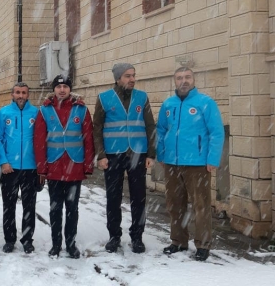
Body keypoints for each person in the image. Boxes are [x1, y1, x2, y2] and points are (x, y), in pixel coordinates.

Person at [157, 67, 224, 262]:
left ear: (194, 80)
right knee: (174, 204)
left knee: (200, 206)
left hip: (198, 164)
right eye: (179, 78)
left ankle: (203, 245)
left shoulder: (205, 103)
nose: (183, 81)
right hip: (171, 162)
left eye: (187, 77)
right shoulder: (168, 104)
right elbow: (160, 130)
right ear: (174, 81)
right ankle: (178, 241)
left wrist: (212, 159)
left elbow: (216, 132)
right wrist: (161, 153)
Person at [93, 63, 156, 254]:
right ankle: (114, 236)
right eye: (128, 76)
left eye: (133, 75)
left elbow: (150, 126)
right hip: (113, 155)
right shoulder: (104, 98)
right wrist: (101, 155)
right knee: (113, 198)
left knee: (139, 197)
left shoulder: (142, 97)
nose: (132, 79)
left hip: (137, 153)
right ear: (118, 78)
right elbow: (97, 128)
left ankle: (137, 236)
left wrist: (151, 154)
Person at [34, 75, 94, 259]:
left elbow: (88, 139)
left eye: (65, 87)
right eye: (58, 86)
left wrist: (88, 165)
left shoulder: (81, 109)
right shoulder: (45, 110)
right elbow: (39, 141)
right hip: (54, 168)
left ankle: (71, 244)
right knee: (55, 209)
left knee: (72, 209)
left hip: (74, 167)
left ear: (70, 89)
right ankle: (56, 244)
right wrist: (41, 168)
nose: (62, 90)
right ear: (54, 89)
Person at [0, 82, 39, 254]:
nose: (20, 95)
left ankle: (27, 240)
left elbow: (41, 140)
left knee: (29, 206)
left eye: (24, 93)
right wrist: (3, 162)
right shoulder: (4, 113)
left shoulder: (36, 113)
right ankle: (9, 239)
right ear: (12, 95)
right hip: (9, 168)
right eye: (17, 92)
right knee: (9, 206)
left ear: (28, 95)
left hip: (30, 168)